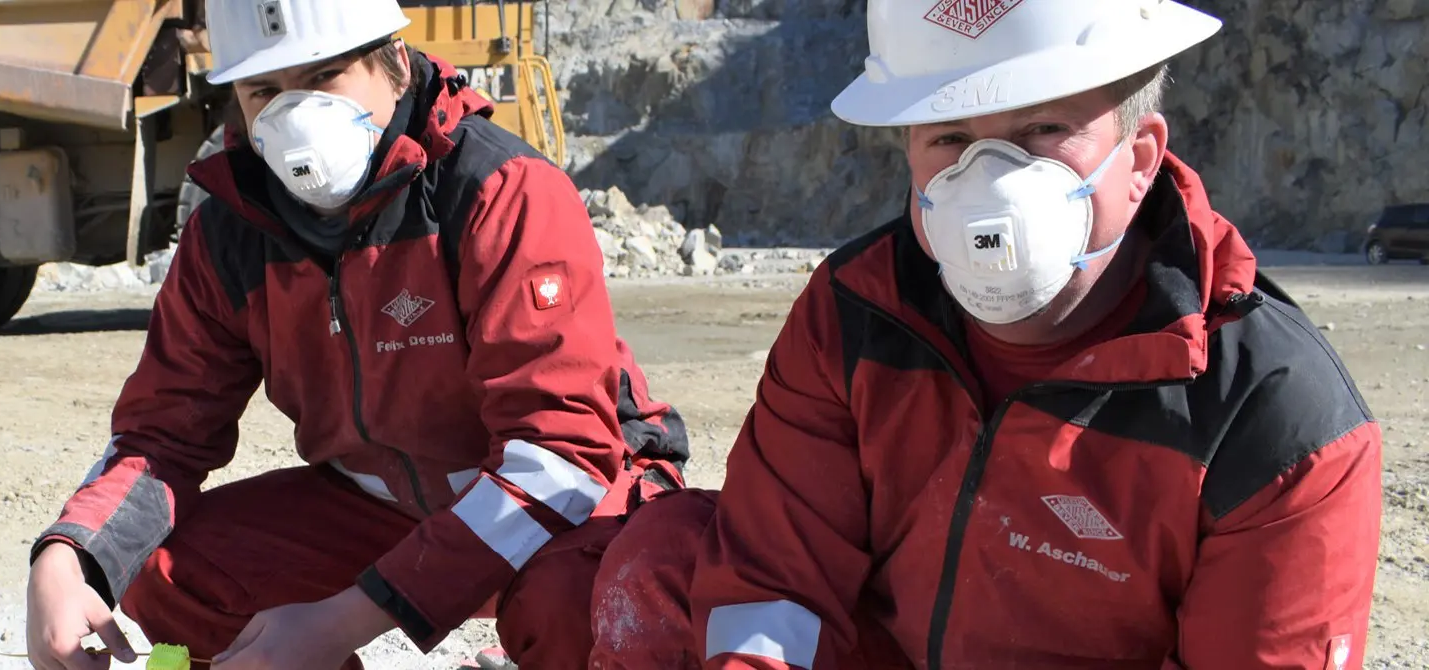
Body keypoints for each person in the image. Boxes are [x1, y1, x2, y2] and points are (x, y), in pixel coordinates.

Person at [589, 0, 1384, 668]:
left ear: (1138, 159)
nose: (989, 180)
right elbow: (776, 577)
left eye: (1041, 129)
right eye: (949, 138)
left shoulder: (1275, 419)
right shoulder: (856, 313)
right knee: (662, 562)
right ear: (908, 154)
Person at [22, 1, 689, 669]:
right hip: (380, 504)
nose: (294, 114)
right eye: (263, 91)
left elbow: (560, 456)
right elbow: (161, 434)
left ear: (395, 63)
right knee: (169, 573)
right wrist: (70, 552)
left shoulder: (497, 193)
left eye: (324, 75)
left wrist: (340, 622)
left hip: (569, 497)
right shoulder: (229, 236)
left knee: (583, 601)